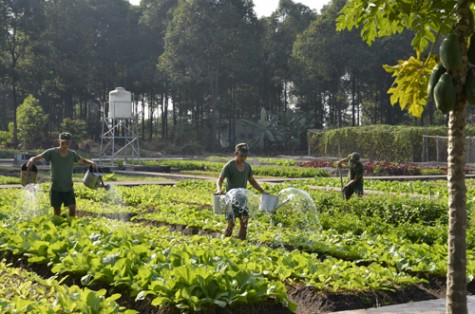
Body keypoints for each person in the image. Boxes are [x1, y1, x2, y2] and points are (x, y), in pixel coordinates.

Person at [26, 132, 97, 217]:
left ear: (70, 143)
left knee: (72, 208)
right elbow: (37, 157)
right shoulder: (52, 152)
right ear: (59, 141)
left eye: (67, 143)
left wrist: (92, 163)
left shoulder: (72, 154)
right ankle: (58, 227)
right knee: (57, 212)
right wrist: (30, 161)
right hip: (56, 187)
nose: (65, 146)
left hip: (68, 187)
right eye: (63, 143)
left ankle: (71, 226)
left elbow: (82, 160)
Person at [216, 143, 265, 240]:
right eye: (242, 155)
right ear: (236, 153)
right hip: (231, 199)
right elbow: (220, 179)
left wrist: (263, 191)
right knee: (231, 223)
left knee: (244, 223)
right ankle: (225, 241)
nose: (244, 158)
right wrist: (219, 189)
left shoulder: (247, 167)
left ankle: (241, 243)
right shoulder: (229, 166)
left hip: (242, 199)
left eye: (245, 156)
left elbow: (252, 181)